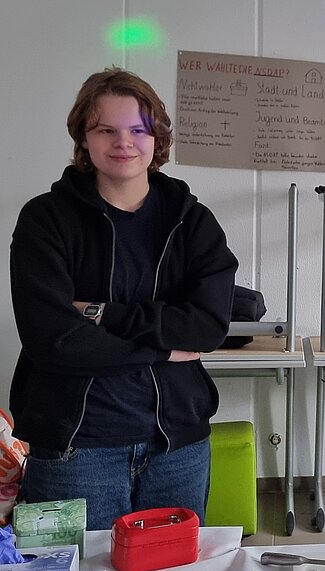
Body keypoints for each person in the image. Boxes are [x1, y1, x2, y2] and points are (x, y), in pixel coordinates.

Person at [9, 68, 237, 530]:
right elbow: (53, 341)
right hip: (75, 448)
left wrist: (102, 314)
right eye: (106, 130)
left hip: (177, 448)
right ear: (83, 137)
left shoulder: (192, 222)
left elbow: (208, 327)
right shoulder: (46, 220)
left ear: (158, 137)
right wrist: (162, 349)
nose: (124, 143)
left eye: (138, 129)